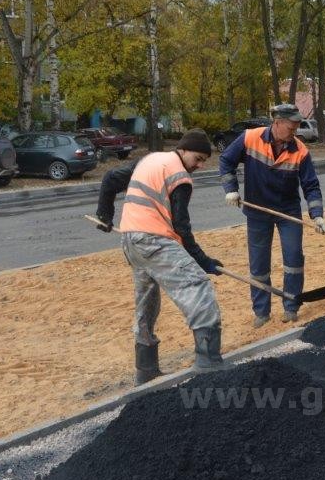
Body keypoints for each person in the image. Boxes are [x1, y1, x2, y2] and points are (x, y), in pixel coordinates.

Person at [94, 129, 229, 385]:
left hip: (131, 242)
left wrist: (104, 214)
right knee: (198, 286)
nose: (199, 166)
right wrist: (204, 262)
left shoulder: (150, 160)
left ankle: (146, 370)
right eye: (198, 158)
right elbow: (182, 228)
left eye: (203, 161)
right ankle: (208, 361)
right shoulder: (180, 177)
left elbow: (111, 179)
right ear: (184, 149)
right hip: (155, 242)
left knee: (146, 301)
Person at [219, 103, 325, 327]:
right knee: (258, 265)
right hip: (258, 211)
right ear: (277, 123)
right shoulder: (250, 138)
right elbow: (226, 160)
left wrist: (317, 215)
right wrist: (231, 189)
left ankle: (291, 306)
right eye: (291, 127)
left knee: (294, 258)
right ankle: (261, 312)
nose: (294, 132)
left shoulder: (300, 151)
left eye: (297, 127)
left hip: (288, 212)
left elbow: (311, 186)